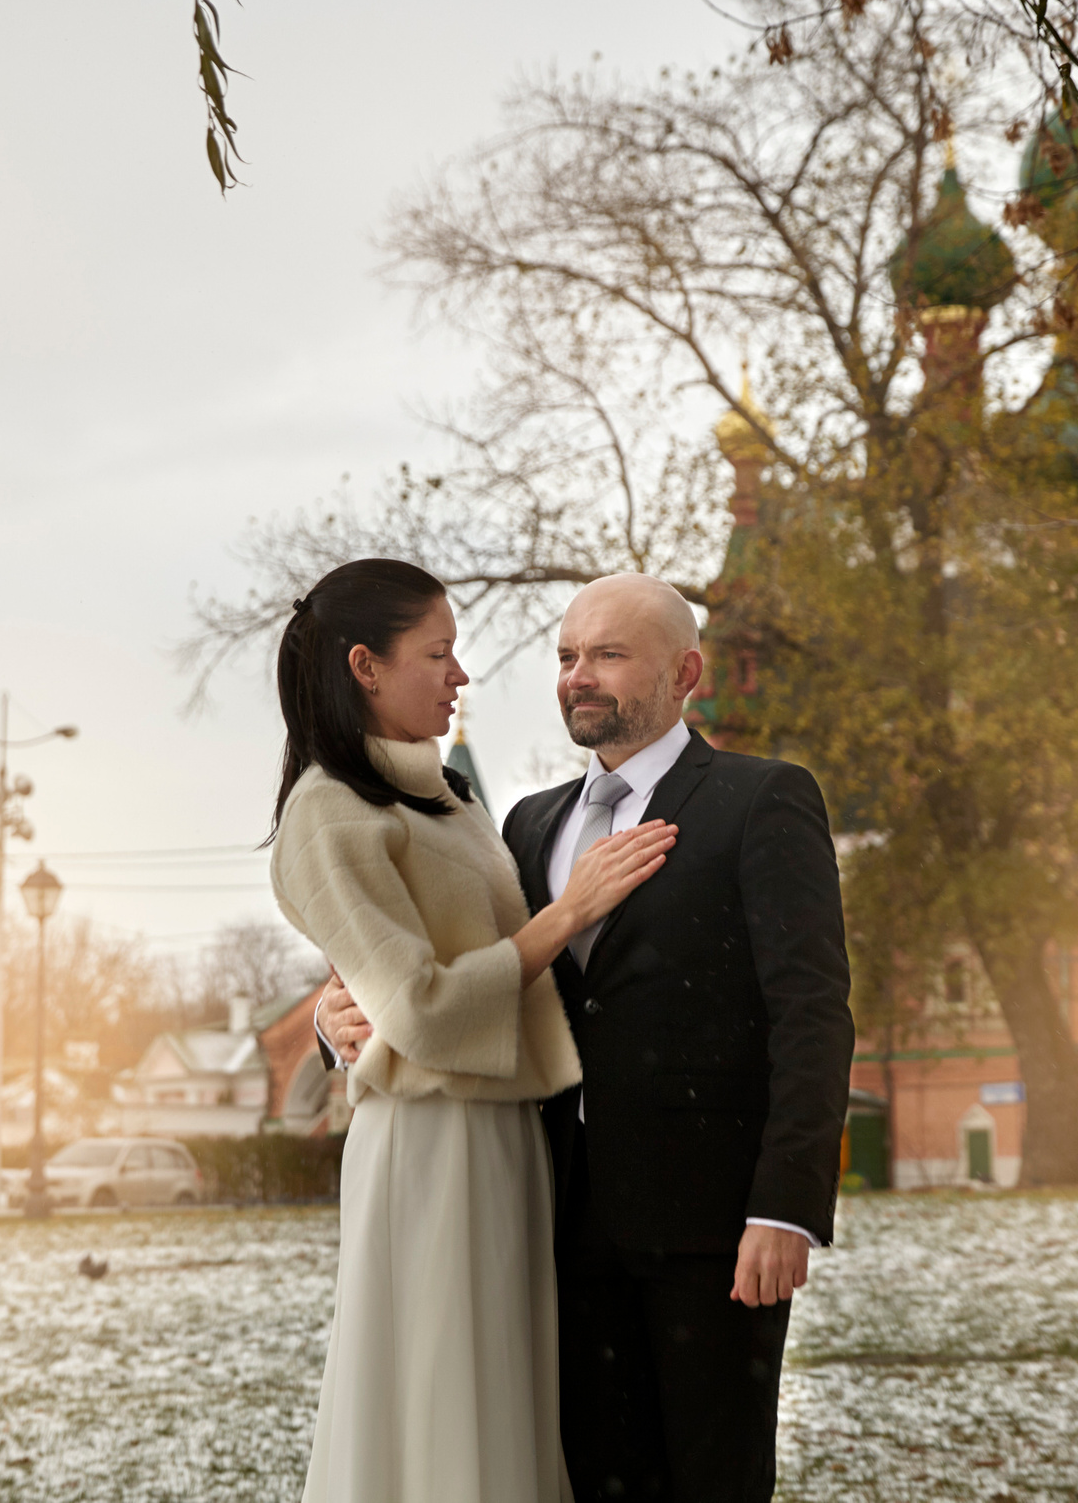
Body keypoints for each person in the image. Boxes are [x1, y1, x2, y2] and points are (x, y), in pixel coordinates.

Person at [323, 572, 852, 1503]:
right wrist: (344, 1020)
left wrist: (787, 1207)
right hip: (554, 1231)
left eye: (608, 654)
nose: (578, 677)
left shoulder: (761, 801)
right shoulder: (525, 825)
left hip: (713, 1238)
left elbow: (812, 1013)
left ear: (684, 670)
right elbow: (463, 981)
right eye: (567, 657)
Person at [271, 559, 677, 1503]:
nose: (461, 675)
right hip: (430, 1145)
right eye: (440, 654)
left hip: (504, 1137)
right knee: (442, 1396)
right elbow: (419, 1005)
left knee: (507, 1393)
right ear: (365, 666)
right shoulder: (326, 813)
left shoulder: (447, 797)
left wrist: (347, 1020)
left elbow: (409, 985)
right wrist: (566, 913)